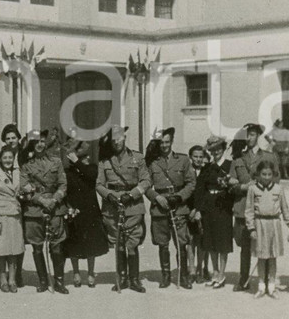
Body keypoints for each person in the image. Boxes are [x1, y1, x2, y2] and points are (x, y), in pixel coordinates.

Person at [95, 125, 150, 293]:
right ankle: (122, 278)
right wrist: (109, 195)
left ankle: (134, 279)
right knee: (118, 243)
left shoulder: (137, 158)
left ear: (125, 138)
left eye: (119, 138)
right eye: (113, 140)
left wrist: (132, 194)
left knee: (132, 242)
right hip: (112, 207)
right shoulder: (105, 161)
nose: (116, 142)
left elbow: (146, 181)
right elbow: (98, 184)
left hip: (132, 206)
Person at [19, 129, 70, 293]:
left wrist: (54, 199)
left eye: (42, 141)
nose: (40, 144)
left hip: (55, 208)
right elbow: (24, 188)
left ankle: (59, 281)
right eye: (36, 142)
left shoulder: (56, 162)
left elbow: (63, 184)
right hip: (35, 209)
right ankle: (42, 281)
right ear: (31, 145)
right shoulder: (26, 166)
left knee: (56, 245)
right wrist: (41, 200)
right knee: (37, 246)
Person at [144, 127, 195, 289]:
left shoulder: (183, 160)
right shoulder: (152, 163)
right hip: (159, 207)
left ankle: (184, 274)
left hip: (178, 206)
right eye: (162, 143)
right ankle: (165, 275)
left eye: (167, 142)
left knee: (181, 243)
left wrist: (180, 196)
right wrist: (156, 197)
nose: (164, 145)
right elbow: (145, 184)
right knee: (162, 243)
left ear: (171, 142)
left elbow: (191, 182)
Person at [229, 124, 279, 292]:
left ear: (257, 135)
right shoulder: (238, 158)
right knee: (244, 246)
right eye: (246, 135)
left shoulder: (269, 157)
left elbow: (276, 184)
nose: (249, 138)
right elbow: (231, 183)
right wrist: (245, 186)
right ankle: (243, 280)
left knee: (264, 245)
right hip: (243, 207)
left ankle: (265, 281)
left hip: (262, 208)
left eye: (251, 135)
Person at [61, 138, 109, 288]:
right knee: (74, 242)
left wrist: (77, 163)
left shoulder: (92, 168)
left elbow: (91, 176)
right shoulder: (68, 172)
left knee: (91, 243)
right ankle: (75, 272)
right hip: (74, 209)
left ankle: (90, 273)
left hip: (90, 210)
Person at [245, 160, 289, 298]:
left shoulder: (278, 189)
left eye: (269, 174)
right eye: (264, 174)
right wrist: (251, 228)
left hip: (274, 224)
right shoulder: (252, 189)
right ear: (258, 175)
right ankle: (261, 285)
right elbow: (249, 210)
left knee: (272, 257)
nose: (266, 177)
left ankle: (272, 286)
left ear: (273, 175)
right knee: (261, 257)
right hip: (259, 224)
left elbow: (285, 209)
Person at [191, 143, 233, 288]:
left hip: (224, 207)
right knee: (211, 241)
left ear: (223, 150)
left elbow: (235, 186)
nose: (216, 153)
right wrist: (198, 209)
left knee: (222, 242)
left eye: (218, 150)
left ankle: (222, 273)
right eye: (213, 150)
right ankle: (215, 272)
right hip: (209, 207)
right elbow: (200, 189)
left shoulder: (229, 165)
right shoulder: (207, 168)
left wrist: (228, 185)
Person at [0, 145, 26, 292]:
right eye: (5, 158)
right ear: (0, 159)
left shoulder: (17, 173)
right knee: (1, 250)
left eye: (10, 157)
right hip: (1, 216)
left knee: (14, 250)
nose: (8, 160)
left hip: (15, 215)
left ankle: (12, 279)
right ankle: (3, 279)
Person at [0, 123, 25, 287]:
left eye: (13, 138)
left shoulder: (25, 155)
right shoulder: (3, 156)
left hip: (24, 199)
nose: (11, 141)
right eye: (7, 138)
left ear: (18, 139)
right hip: (8, 202)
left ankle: (17, 273)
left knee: (19, 239)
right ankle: (3, 276)